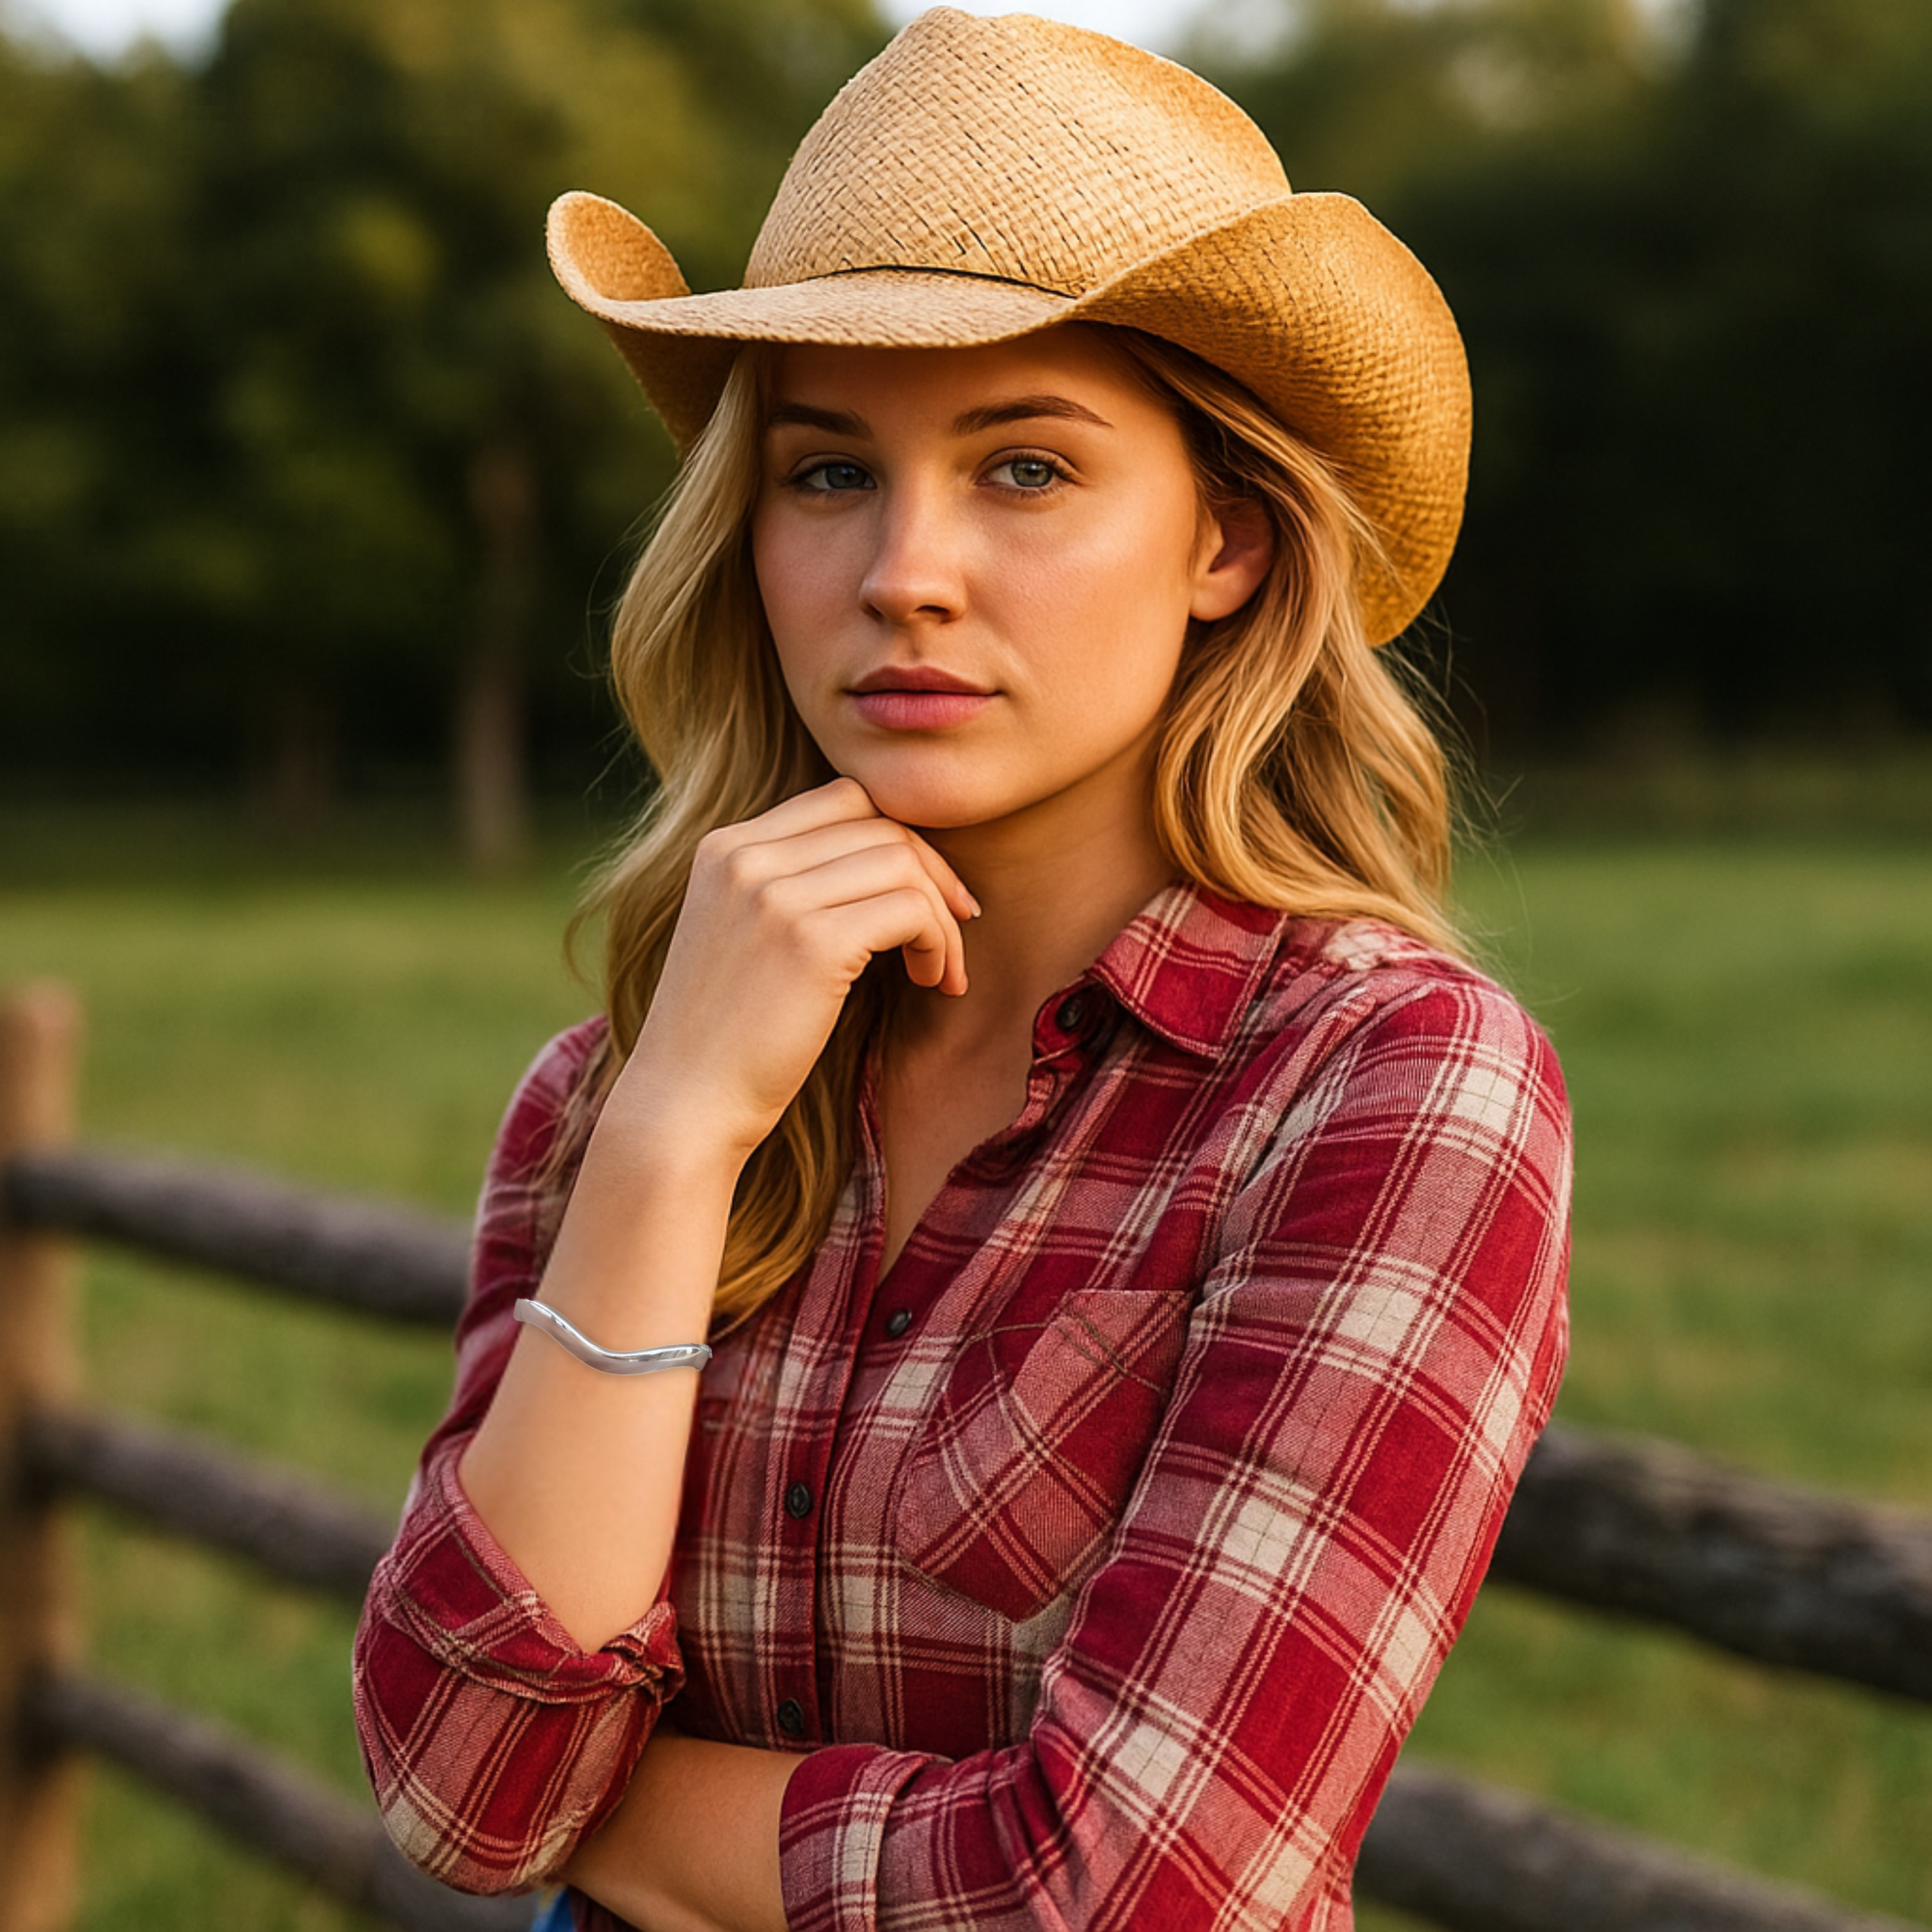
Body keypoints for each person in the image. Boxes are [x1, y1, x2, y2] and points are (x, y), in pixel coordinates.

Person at [352, 12, 1571, 1931]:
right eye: (829, 475)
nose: (905, 570)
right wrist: (675, 1138)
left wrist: (607, 1825)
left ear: (1228, 541)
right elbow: (449, 1779)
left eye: (1023, 468)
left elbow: (1132, 1893)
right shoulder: (614, 1092)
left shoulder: (1386, 1083)